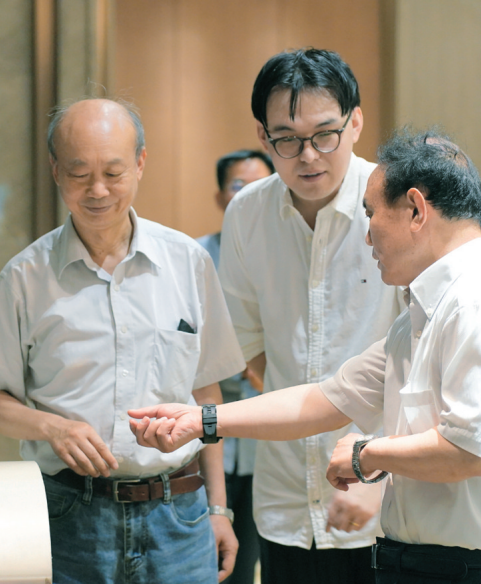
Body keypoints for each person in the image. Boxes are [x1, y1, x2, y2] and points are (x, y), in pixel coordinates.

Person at [131, 128, 481, 583]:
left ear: (416, 210)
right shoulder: (419, 318)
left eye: (371, 214)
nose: (366, 236)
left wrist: (366, 454)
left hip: (480, 571)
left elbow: (470, 450)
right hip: (424, 563)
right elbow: (323, 400)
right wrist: (200, 420)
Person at [0, 98, 246, 584]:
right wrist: (53, 428)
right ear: (56, 170)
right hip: (69, 515)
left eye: (113, 173)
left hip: (179, 516)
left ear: (140, 163)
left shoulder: (188, 262)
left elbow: (206, 395)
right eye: (80, 174)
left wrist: (219, 508)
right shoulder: (25, 277)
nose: (97, 191)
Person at [215, 48, 407, 584]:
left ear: (355, 122)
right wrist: (304, 414)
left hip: (386, 496)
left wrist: (380, 469)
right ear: (262, 136)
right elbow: (248, 346)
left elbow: (428, 354)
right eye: (287, 139)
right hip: (286, 498)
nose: (308, 156)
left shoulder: (397, 204)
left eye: (325, 135)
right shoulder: (247, 213)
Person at [197, 148, 274, 584]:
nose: (248, 196)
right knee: (210, 562)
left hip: (267, 438)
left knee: (250, 561)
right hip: (211, 435)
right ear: (220, 196)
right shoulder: (195, 256)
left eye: (261, 186)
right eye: (238, 186)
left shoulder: (287, 256)